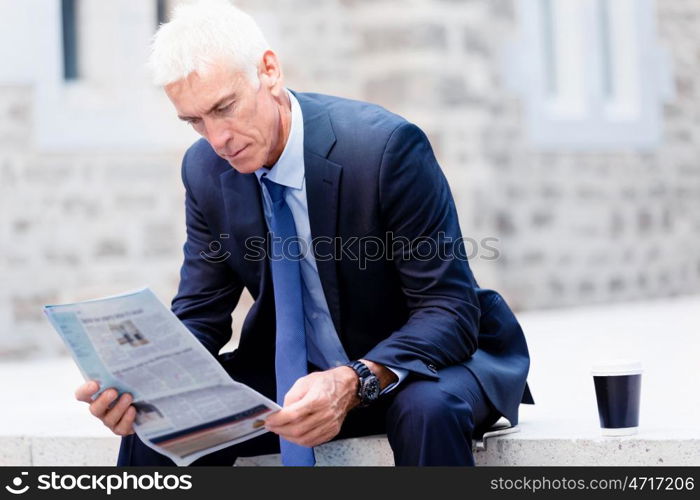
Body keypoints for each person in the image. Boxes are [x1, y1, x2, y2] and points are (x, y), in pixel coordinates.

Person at [75, 0, 534, 466]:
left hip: (415, 367)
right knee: (154, 423)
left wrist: (355, 380)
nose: (217, 139)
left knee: (427, 411)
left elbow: (448, 309)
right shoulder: (205, 170)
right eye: (194, 121)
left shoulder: (385, 150)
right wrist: (144, 384)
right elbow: (200, 313)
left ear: (269, 71)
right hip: (298, 379)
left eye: (224, 107)